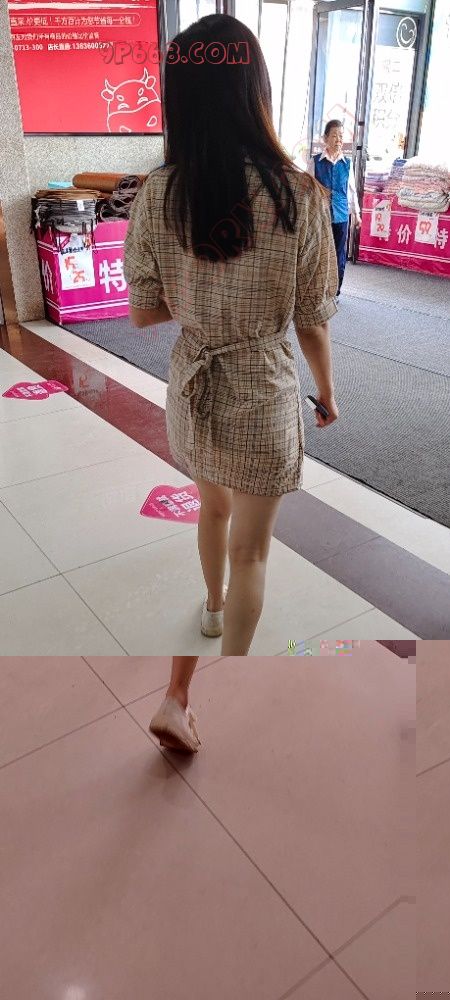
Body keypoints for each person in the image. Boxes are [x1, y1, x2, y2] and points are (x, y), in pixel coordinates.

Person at [124, 14, 339, 657]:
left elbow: (142, 313)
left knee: (210, 508)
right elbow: (312, 319)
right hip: (265, 394)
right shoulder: (300, 195)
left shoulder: (157, 193)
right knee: (253, 553)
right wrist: (327, 393)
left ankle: (212, 611)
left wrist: (201, 303)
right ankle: (235, 670)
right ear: (255, 90)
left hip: (193, 388)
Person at [307, 120, 362, 297]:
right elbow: (308, 190)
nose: (338, 139)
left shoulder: (347, 163)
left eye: (341, 136)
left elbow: (351, 190)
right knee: (320, 252)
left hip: (341, 214)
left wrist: (357, 214)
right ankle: (318, 289)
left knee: (339, 253)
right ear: (325, 138)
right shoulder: (315, 162)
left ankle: (334, 291)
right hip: (320, 215)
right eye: (334, 135)